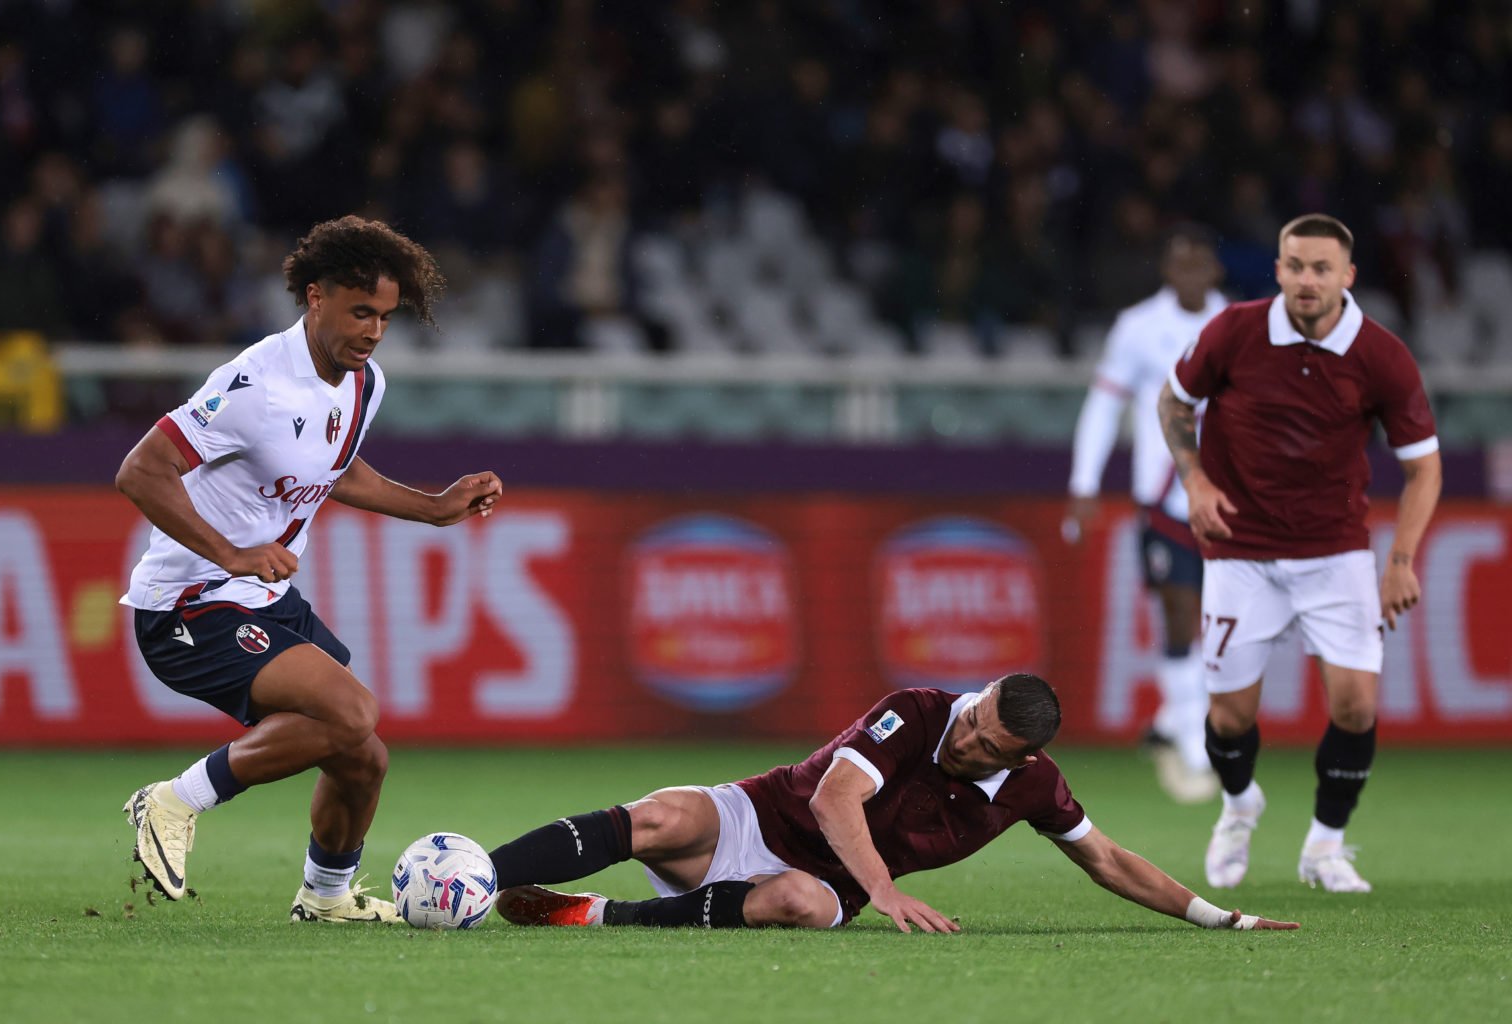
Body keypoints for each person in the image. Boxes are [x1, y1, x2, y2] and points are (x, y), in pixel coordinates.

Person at [116, 215, 504, 923]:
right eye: (361, 312)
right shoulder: (256, 382)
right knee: (353, 711)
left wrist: (435, 507)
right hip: (189, 603)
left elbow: (336, 471)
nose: (374, 330)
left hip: (261, 598)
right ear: (315, 296)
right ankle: (172, 801)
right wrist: (229, 554)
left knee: (364, 756)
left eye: (385, 317)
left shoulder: (363, 383)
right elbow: (142, 470)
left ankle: (325, 899)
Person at [483, 675, 1298, 934]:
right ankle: (478, 878)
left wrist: (1219, 919)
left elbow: (1108, 859)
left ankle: (588, 917)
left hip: (825, 882)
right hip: (765, 816)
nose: (965, 739)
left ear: (1023, 758)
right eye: (973, 719)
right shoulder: (918, 709)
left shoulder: (1035, 790)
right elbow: (838, 797)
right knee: (663, 813)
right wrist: (884, 890)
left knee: (799, 900)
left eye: (985, 745)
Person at [1157, 213, 1441, 894]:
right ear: (1278, 269)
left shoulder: (1381, 355)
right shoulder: (1235, 331)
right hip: (1240, 552)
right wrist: (1194, 480)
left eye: (1321, 268)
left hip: (1334, 553)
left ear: (1347, 276)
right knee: (1229, 718)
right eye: (1295, 266)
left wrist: (1400, 560)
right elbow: (1174, 403)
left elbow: (1424, 468)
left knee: (1356, 708)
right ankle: (1237, 806)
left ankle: (1326, 845)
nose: (1307, 280)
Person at [1065, 225, 1227, 804]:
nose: (1190, 272)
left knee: (1230, 623)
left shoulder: (1239, 325)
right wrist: (1084, 484)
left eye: (1199, 261)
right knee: (1179, 612)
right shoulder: (1138, 327)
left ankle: (1169, 720)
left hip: (1228, 500)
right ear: (1166, 269)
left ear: (1214, 269)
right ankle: (1191, 741)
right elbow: (1105, 405)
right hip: (1163, 498)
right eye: (1179, 261)